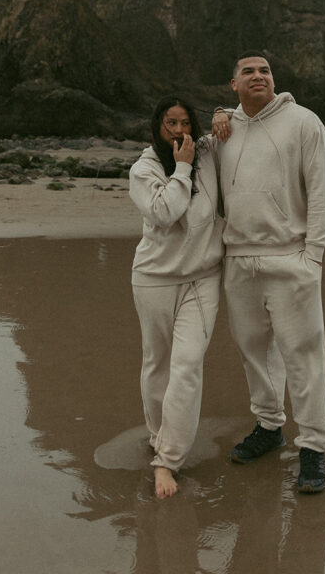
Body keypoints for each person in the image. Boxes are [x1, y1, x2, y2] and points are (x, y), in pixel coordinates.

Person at [214, 52, 325, 494]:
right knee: (254, 352)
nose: (258, 76)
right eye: (247, 71)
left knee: (303, 354)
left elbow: (323, 189)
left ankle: (314, 448)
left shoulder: (304, 122)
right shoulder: (223, 130)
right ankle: (269, 427)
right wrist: (219, 115)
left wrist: (314, 255)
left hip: (291, 257)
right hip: (238, 259)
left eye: (265, 70)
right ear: (233, 84)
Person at [129, 96, 229, 499]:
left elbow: (239, 121)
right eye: (170, 123)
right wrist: (183, 167)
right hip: (153, 278)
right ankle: (158, 434)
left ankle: (167, 460)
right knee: (157, 365)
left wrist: (222, 110)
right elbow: (164, 212)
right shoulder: (144, 168)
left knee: (186, 367)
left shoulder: (206, 150)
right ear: (157, 126)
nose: (179, 131)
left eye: (185, 122)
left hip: (202, 278)